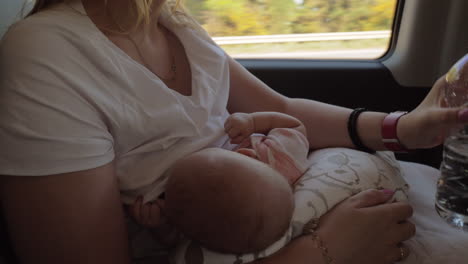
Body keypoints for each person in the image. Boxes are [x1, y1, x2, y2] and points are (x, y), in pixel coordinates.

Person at [0, 0, 466, 263]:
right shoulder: (44, 55)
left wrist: (402, 129)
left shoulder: (171, 21)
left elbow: (280, 109)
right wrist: (325, 252)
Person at [131, 111, 308, 254]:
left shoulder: (201, 218)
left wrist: (158, 225)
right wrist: (252, 122)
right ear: (246, 154)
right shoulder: (282, 158)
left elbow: (173, 239)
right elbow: (295, 125)